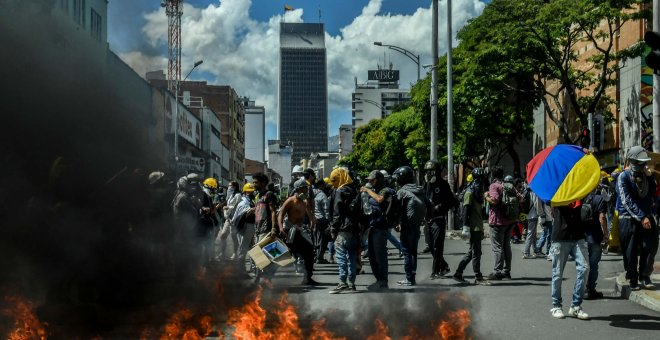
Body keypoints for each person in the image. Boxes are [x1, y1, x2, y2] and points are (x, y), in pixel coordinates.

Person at [616, 146, 659, 290]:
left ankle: (645, 275)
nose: (643, 166)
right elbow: (626, 200)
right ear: (633, 161)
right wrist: (641, 217)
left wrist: (650, 177)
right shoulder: (624, 177)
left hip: (646, 217)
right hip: (628, 218)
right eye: (640, 163)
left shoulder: (647, 176)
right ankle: (633, 277)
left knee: (651, 245)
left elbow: (653, 193)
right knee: (630, 250)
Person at [549, 200, 590, 320]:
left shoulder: (579, 190)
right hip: (560, 236)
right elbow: (548, 201)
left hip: (578, 236)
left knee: (584, 268)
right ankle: (556, 306)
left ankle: (575, 306)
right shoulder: (556, 191)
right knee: (557, 273)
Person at [453, 168, 490, 285]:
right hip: (473, 228)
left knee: (472, 252)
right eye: (480, 179)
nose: (481, 182)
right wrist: (465, 227)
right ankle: (478, 277)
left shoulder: (477, 192)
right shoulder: (469, 193)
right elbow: (466, 210)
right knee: (476, 253)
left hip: (478, 226)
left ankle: (458, 272)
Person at [278, 178, 318, 286]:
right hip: (288, 231)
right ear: (299, 189)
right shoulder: (291, 200)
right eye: (305, 188)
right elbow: (280, 214)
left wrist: (312, 222)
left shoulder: (305, 201)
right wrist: (281, 228)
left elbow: (310, 214)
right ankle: (277, 278)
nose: (307, 190)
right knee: (285, 254)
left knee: (309, 252)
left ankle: (307, 277)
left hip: (299, 231)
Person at [393, 165, 429, 286]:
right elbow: (430, 204)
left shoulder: (402, 191)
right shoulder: (419, 190)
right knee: (413, 252)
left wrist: (395, 222)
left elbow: (397, 209)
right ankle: (412, 277)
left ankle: (409, 279)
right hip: (416, 226)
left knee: (407, 252)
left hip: (407, 225)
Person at [360, 170, 395, 290]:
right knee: (372, 257)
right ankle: (379, 280)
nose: (370, 182)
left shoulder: (386, 190)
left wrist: (367, 190)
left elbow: (380, 199)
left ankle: (383, 282)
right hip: (373, 228)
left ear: (379, 180)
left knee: (380, 257)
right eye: (369, 180)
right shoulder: (375, 191)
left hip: (381, 228)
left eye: (372, 180)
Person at [423, 160, 458, 279]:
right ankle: (444, 266)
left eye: (431, 171)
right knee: (431, 247)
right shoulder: (426, 184)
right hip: (428, 220)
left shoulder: (443, 185)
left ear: (437, 171)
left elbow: (452, 200)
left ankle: (435, 271)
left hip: (438, 219)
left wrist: (440, 207)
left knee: (438, 246)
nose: (429, 174)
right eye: (427, 171)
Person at [328, 167, 359, 293]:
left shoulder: (340, 192)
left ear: (340, 178)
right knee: (352, 256)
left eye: (334, 180)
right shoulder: (354, 190)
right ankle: (351, 282)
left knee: (340, 256)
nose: (333, 183)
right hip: (354, 228)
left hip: (343, 229)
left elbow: (337, 212)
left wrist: (333, 228)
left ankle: (342, 282)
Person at [484, 167, 519, 280]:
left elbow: (494, 200)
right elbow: (520, 198)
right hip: (510, 221)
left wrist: (486, 196)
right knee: (506, 246)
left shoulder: (494, 186)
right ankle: (507, 272)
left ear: (493, 176)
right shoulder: (508, 185)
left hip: (497, 222)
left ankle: (497, 272)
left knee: (498, 247)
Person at [252, 172, 279, 285]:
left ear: (263, 183)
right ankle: (264, 277)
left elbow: (273, 212)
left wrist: (273, 228)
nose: (253, 184)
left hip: (266, 229)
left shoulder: (269, 195)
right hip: (258, 230)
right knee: (261, 255)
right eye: (253, 182)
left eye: (256, 182)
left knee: (260, 254)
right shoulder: (258, 196)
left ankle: (260, 278)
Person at [582, 189, 608, 299]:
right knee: (593, 265)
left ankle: (581, 290)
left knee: (582, 265)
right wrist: (606, 234)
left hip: (581, 237)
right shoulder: (599, 199)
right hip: (595, 237)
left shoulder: (579, 196)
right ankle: (590, 289)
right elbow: (602, 218)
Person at [230, 183, 257, 275]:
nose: (251, 193)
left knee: (251, 247)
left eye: (252, 192)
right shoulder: (244, 202)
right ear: (245, 192)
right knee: (243, 248)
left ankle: (252, 268)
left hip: (249, 226)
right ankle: (241, 270)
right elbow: (245, 213)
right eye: (249, 192)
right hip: (245, 227)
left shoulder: (250, 201)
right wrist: (255, 209)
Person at [215, 181, 241, 261]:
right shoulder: (230, 196)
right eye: (229, 186)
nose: (229, 187)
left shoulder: (238, 195)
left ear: (235, 187)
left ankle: (234, 253)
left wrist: (228, 207)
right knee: (223, 235)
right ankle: (222, 253)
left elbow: (238, 206)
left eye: (230, 186)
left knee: (234, 237)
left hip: (234, 219)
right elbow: (227, 203)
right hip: (227, 218)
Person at [312, 178, 331, 264]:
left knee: (316, 238)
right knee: (323, 239)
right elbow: (326, 209)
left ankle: (316, 256)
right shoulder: (322, 195)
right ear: (321, 185)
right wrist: (329, 221)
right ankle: (319, 257)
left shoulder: (311, 193)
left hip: (314, 219)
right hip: (322, 220)